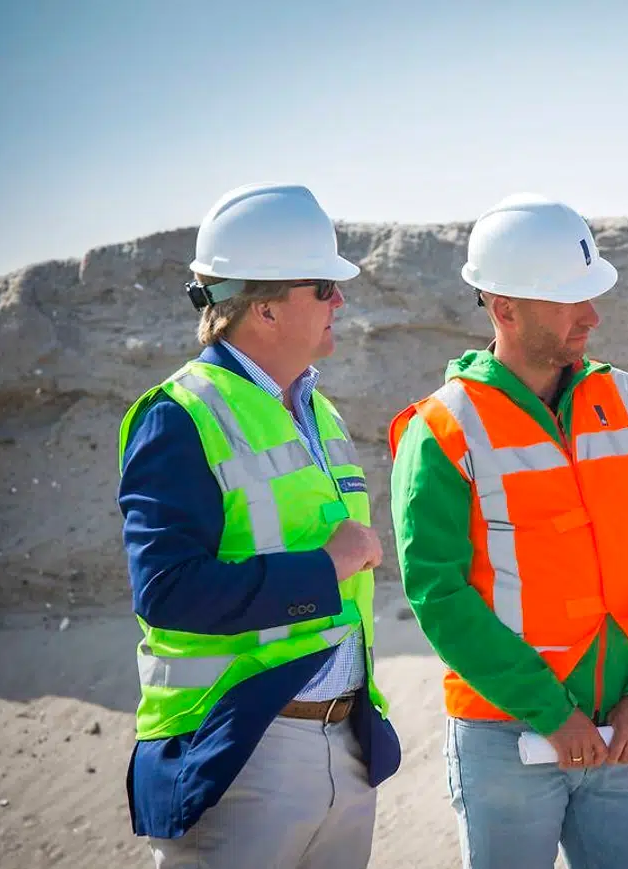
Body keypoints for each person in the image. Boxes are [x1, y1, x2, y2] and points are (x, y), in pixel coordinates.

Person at [387, 193, 628, 869]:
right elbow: (438, 595)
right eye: (570, 299)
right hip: (505, 739)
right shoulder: (442, 431)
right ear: (503, 306)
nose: (593, 315)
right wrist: (551, 712)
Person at [116, 183, 401, 868]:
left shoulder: (319, 413)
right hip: (243, 756)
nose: (341, 299)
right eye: (324, 286)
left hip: (345, 748)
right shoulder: (180, 414)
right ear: (265, 305)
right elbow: (168, 590)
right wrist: (324, 569)